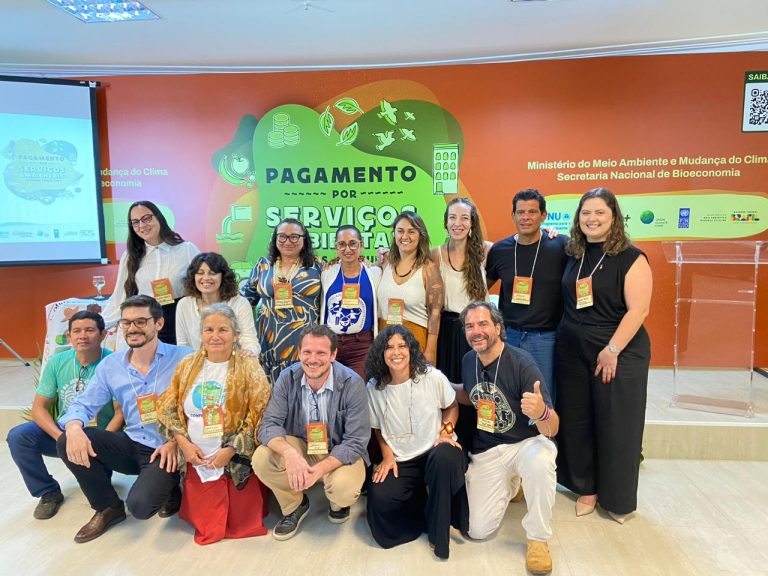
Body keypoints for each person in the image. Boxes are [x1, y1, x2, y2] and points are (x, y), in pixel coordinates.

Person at [56, 295, 193, 543]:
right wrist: (74, 427)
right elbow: (84, 404)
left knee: (141, 507)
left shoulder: (185, 358)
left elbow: (202, 407)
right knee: (68, 439)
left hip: (168, 447)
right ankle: (107, 507)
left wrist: (177, 441)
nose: (132, 328)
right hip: (131, 442)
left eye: (141, 321)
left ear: (159, 323)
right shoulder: (111, 365)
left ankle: (171, 486)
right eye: (126, 322)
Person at [555, 187, 652, 524]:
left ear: (614, 217)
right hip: (572, 349)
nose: (592, 219)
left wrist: (612, 350)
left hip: (617, 350)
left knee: (617, 424)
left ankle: (617, 498)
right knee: (577, 420)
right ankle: (586, 487)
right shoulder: (573, 252)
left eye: (600, 213)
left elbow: (639, 310)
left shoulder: (632, 257)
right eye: (586, 213)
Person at [457, 301, 558, 575]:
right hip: (488, 449)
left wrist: (541, 412)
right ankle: (515, 484)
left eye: (483, 324)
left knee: (541, 458)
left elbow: (553, 429)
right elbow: (470, 393)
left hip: (524, 444)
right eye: (470, 326)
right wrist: (438, 387)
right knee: (477, 530)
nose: (476, 331)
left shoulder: (522, 363)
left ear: (498, 327)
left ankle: (538, 539)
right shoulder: (468, 360)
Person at [157, 303, 272, 545]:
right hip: (195, 456)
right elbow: (167, 407)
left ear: (236, 335)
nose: (215, 336)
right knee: (207, 522)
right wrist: (184, 444)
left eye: (223, 330)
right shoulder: (187, 365)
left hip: (234, 459)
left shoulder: (250, 367)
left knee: (239, 524)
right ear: (201, 334)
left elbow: (259, 415)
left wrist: (230, 450)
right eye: (209, 330)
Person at [252, 325, 370, 540]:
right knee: (262, 458)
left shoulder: (352, 383)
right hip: (303, 445)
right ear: (299, 352)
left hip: (340, 450)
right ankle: (295, 505)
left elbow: (355, 441)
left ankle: (337, 503)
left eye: (321, 353)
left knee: (344, 489)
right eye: (307, 352)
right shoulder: (287, 378)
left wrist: (319, 470)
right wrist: (290, 454)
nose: (313, 359)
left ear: (333, 355)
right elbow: (269, 425)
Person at [7, 311, 122, 520]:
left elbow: (119, 413)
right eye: (76, 331)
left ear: (103, 334)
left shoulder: (113, 362)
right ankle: (48, 492)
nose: (82, 336)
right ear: (69, 336)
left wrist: (100, 441)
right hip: (65, 432)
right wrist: (62, 439)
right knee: (19, 436)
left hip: (100, 437)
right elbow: (39, 408)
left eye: (89, 330)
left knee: (100, 486)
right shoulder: (58, 361)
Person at [365, 324, 468, 559]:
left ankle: (438, 535)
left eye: (402, 346)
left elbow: (451, 405)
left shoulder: (431, 376)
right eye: (389, 347)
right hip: (402, 459)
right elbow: (377, 428)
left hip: (435, 450)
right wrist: (387, 456)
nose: (396, 352)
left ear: (411, 349)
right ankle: (423, 509)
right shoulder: (374, 387)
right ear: (381, 353)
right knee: (380, 499)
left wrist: (446, 433)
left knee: (446, 457)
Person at [485, 189, 568, 404]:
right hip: (509, 335)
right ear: (513, 215)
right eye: (520, 212)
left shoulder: (561, 246)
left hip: (545, 338)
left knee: (542, 398)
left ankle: (543, 428)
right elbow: (481, 287)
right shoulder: (500, 250)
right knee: (507, 394)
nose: (526, 217)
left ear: (544, 216)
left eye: (532, 212)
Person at [430, 197, 492, 451]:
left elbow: (520, 246)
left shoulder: (486, 251)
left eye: (464, 218)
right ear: (445, 223)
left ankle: (476, 447)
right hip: (447, 331)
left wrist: (549, 232)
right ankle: (449, 443)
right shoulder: (436, 254)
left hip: (476, 331)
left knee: (476, 387)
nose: (458, 223)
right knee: (447, 388)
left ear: (472, 223)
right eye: (453, 217)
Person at [102, 200, 199, 346]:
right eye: (135, 222)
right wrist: (98, 325)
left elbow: (203, 286)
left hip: (178, 318)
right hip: (145, 321)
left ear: (159, 217)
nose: (142, 225)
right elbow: (119, 296)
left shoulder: (186, 249)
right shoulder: (130, 256)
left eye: (146, 218)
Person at [241, 218, 322, 383]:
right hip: (268, 342)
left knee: (301, 391)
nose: (288, 241)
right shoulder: (263, 265)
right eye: (282, 236)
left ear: (304, 239)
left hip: (305, 343)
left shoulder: (318, 266)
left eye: (294, 237)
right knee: (270, 392)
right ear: (275, 239)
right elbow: (245, 302)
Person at [377, 211, 443, 365]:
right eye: (400, 231)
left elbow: (435, 314)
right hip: (385, 341)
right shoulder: (385, 263)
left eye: (411, 231)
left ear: (421, 235)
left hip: (416, 342)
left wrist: (430, 350)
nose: (405, 236)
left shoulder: (429, 269)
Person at [320, 225, 382, 379]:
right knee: (332, 389)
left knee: (358, 387)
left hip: (361, 347)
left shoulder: (374, 274)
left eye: (353, 243)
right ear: (336, 247)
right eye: (342, 244)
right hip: (331, 344)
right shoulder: (327, 273)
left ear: (361, 245)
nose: (347, 249)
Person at [175, 252, 259, 355]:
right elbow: (182, 346)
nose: (206, 278)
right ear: (193, 277)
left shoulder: (240, 303)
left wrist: (249, 352)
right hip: (196, 363)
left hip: (234, 362)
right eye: (200, 273)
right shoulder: (184, 304)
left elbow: (249, 340)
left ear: (223, 277)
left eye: (212, 273)